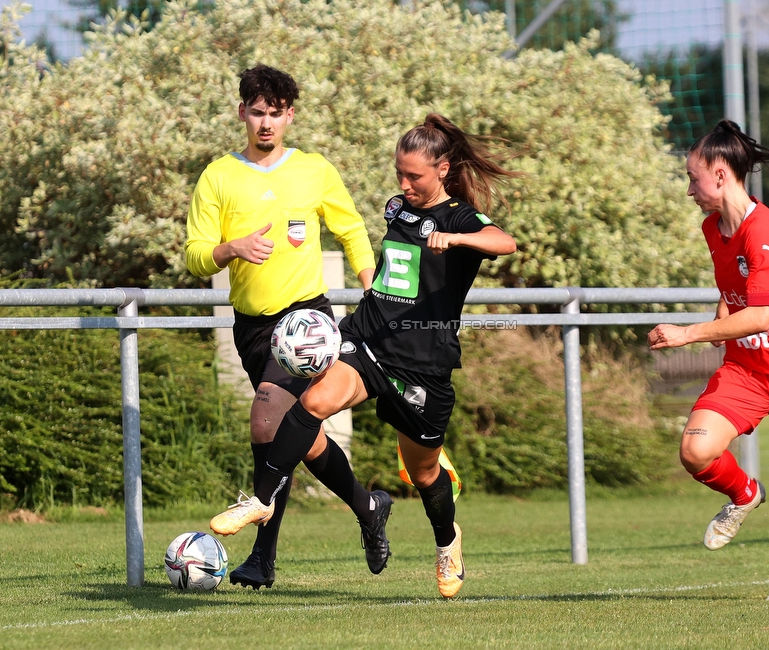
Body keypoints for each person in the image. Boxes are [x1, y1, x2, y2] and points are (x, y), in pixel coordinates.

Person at [208, 113, 519, 598]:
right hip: (367, 338)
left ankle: (447, 540)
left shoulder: (458, 216)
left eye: (414, 175)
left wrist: (457, 239)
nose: (404, 183)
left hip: (423, 364)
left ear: (442, 169)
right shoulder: (398, 208)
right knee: (311, 404)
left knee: (425, 474)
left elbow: (505, 241)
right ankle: (261, 500)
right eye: (399, 172)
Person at [185, 64, 390, 590]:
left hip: (306, 320)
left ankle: (261, 556)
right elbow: (194, 256)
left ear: (290, 116)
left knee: (265, 419)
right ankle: (367, 507)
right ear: (242, 113)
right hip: (251, 327)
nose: (266, 124)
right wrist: (231, 249)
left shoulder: (314, 169)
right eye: (257, 112)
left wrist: (372, 283)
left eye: (276, 114)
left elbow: (350, 229)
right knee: (297, 433)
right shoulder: (218, 176)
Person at [648, 120, 769, 602]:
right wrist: (719, 317)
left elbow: (759, 315)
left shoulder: (765, 231)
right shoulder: (713, 227)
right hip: (747, 369)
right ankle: (743, 495)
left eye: (692, 178)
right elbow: (733, 291)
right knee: (695, 450)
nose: (689, 189)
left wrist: (688, 334)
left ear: (719, 174)